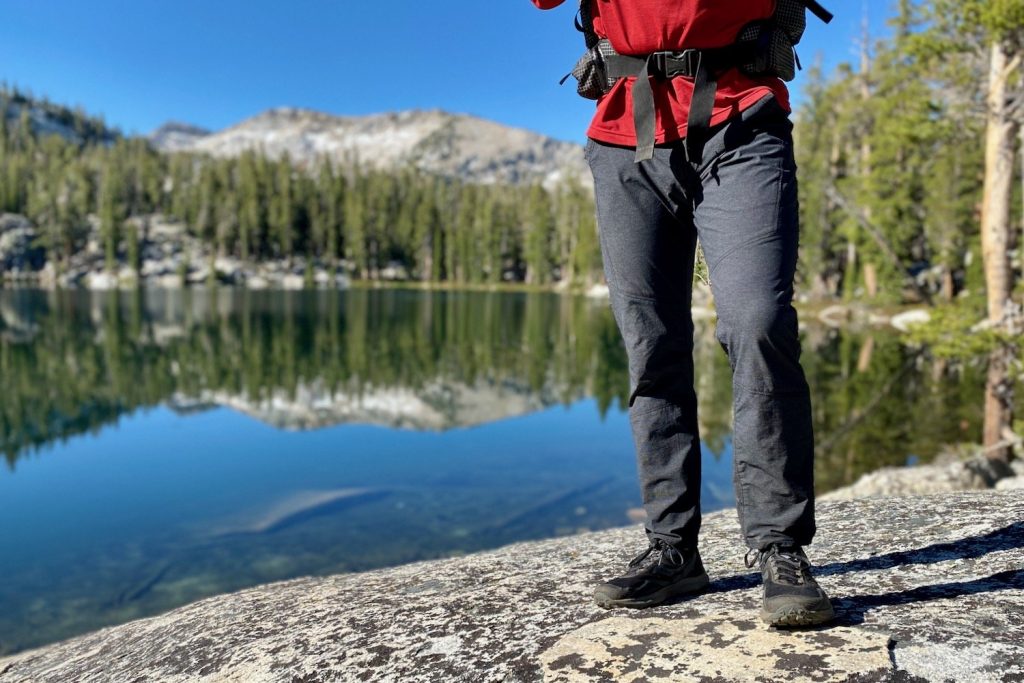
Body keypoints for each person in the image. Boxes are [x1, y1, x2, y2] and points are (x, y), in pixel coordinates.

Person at [530, 0, 835, 627]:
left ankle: (780, 547)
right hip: (625, 131)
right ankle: (673, 550)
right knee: (652, 342)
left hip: (741, 116)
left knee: (758, 322)